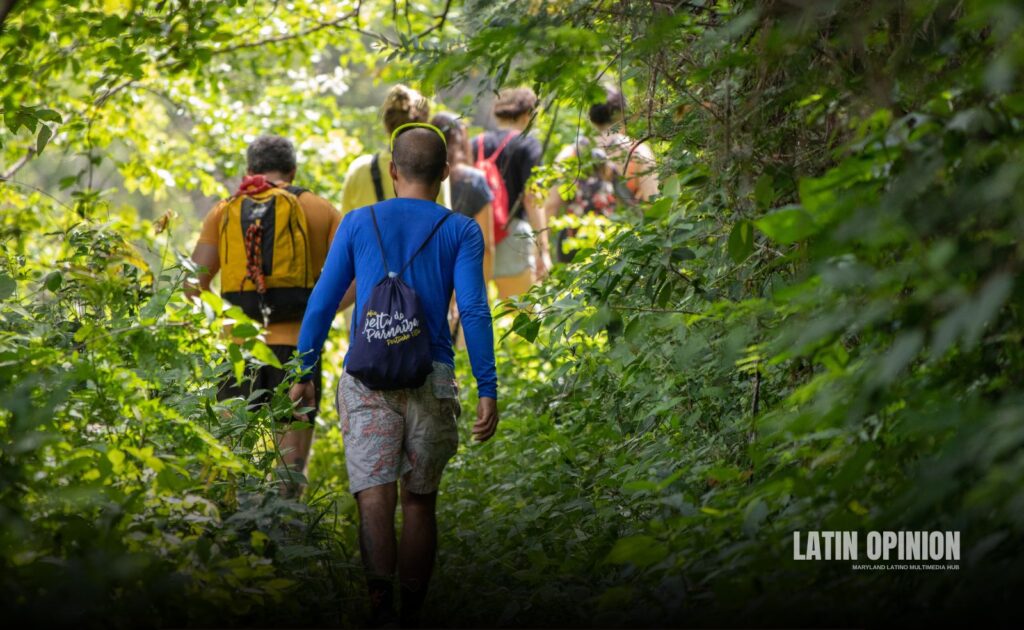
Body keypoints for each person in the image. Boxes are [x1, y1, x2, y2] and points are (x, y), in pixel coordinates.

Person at [289, 125, 499, 626]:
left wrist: (303, 370)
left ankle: (380, 610)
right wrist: (487, 386)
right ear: (445, 172)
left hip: (366, 381)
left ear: (392, 169)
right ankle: (412, 616)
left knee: (374, 500)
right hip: (433, 376)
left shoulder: (358, 223)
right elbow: (473, 309)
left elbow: (321, 303)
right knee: (420, 503)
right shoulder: (461, 230)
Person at [187, 135, 342, 497]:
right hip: (299, 351)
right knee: (289, 472)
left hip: (239, 351)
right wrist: (320, 312)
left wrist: (226, 320)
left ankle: (231, 523)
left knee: (229, 459)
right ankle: (284, 524)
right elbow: (356, 277)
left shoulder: (224, 211)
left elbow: (192, 285)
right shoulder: (320, 209)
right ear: (293, 171)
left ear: (250, 170)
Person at [544, 88, 659, 260]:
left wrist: (542, 252)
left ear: (591, 117)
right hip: (624, 250)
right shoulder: (638, 153)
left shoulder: (570, 153)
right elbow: (653, 203)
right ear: (622, 115)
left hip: (577, 250)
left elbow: (551, 205)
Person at [471, 87, 550, 298]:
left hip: (476, 236)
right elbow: (532, 198)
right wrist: (543, 249)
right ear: (527, 115)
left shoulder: (475, 144)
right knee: (522, 313)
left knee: (476, 312)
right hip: (512, 234)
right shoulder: (528, 144)